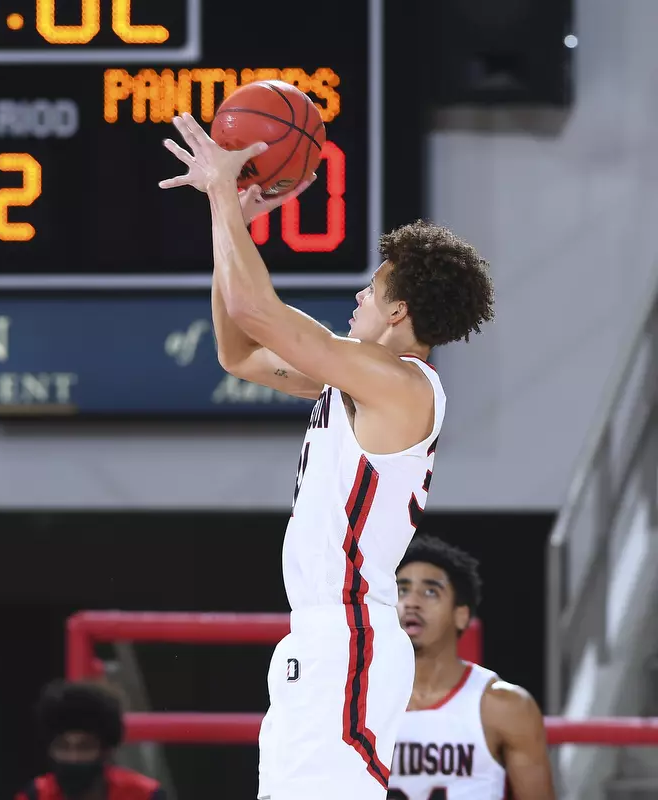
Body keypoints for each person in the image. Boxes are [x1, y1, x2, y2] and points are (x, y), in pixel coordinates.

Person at [159, 112, 495, 800]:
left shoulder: (401, 384)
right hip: (320, 637)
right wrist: (237, 226)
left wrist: (225, 196)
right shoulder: (357, 383)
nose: (358, 296)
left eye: (371, 289)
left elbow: (260, 312)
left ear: (399, 313)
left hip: (349, 636)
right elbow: (238, 351)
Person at [390, 535, 555, 800]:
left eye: (430, 591)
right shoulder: (354, 701)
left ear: (461, 614)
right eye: (402, 590)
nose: (412, 602)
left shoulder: (505, 705)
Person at [15, 680, 166, 800]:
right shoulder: (36, 795)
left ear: (106, 751)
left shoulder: (145, 795)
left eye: (84, 747)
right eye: (63, 746)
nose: (73, 757)